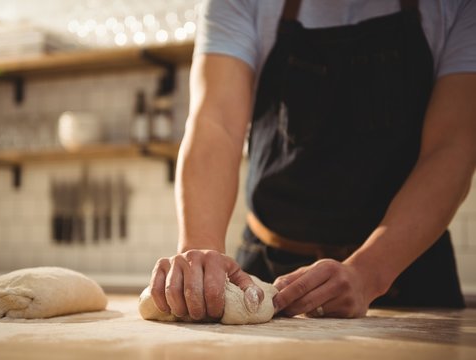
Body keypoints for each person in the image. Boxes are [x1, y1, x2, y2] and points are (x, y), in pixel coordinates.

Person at [149, 0, 476, 319]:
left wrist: (368, 272)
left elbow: (453, 146)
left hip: (408, 270)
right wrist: (202, 255)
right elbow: (214, 124)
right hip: (266, 271)